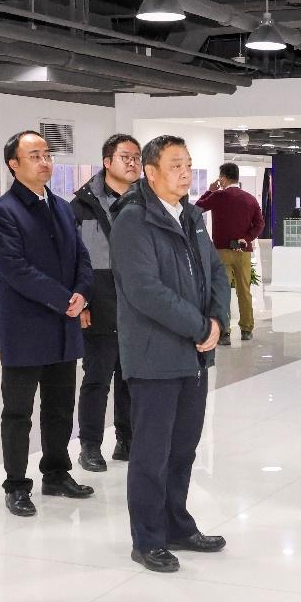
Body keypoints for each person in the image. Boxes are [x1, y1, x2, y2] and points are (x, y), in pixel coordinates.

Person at [109, 135, 230, 574]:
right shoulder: (133, 220)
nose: (185, 173)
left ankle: (177, 524)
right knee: (151, 453)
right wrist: (200, 327)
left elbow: (215, 271)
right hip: (154, 356)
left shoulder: (192, 215)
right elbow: (145, 290)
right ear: (150, 171)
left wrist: (217, 320)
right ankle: (147, 538)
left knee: (183, 449)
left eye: (188, 165)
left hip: (194, 355)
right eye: (176, 165)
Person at [0, 130, 94, 516]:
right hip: (26, 327)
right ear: (14, 164)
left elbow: (82, 256)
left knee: (60, 407)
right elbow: (15, 269)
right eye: (35, 156)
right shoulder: (3, 211)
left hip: (64, 326)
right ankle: (16, 484)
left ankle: (57, 472)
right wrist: (65, 299)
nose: (45, 161)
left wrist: (82, 292)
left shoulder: (63, 207)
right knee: (18, 412)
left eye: (47, 154)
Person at [71, 133, 140, 472]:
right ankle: (90, 446)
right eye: (125, 157)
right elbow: (74, 259)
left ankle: (127, 440)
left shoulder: (146, 203)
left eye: (137, 158)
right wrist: (82, 301)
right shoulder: (81, 207)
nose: (132, 163)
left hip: (137, 309)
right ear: (107, 162)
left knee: (130, 379)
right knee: (96, 380)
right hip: (98, 306)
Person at [196, 162, 264, 344]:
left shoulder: (218, 197)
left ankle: (224, 332)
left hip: (221, 252)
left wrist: (210, 191)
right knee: (245, 291)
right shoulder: (250, 199)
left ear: (223, 178)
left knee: (222, 292)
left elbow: (197, 208)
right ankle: (246, 329)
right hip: (243, 251)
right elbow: (260, 224)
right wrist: (246, 238)